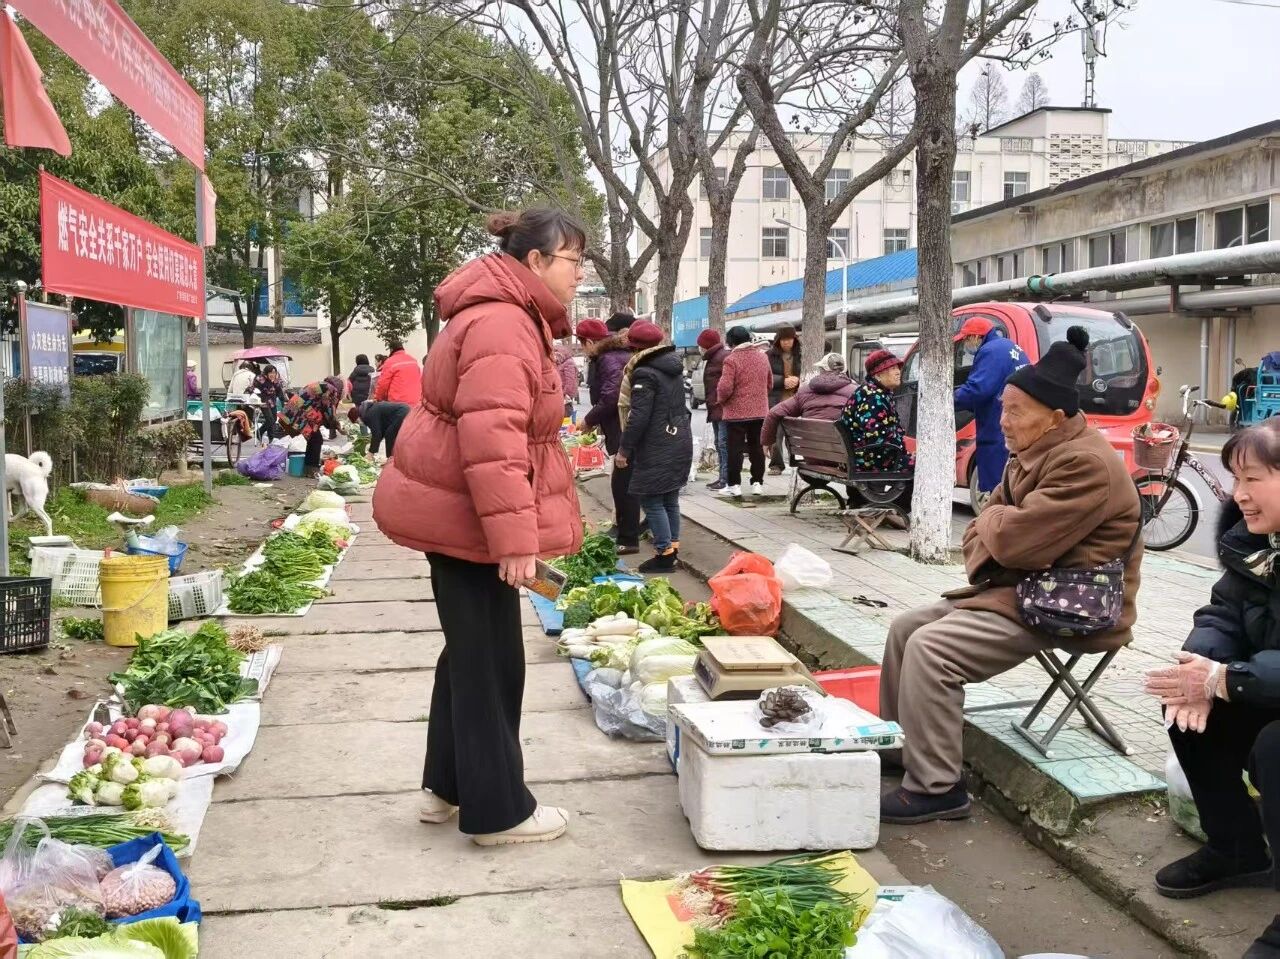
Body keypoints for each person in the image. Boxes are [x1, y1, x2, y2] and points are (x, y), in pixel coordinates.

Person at [372, 208, 584, 847]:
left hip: (462, 513)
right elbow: (493, 440)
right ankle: (499, 812)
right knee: (492, 660)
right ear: (536, 262)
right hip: (471, 516)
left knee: (470, 652)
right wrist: (516, 542)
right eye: (574, 260)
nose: (580, 274)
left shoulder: (502, 314)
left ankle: (448, 787)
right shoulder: (503, 322)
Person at [878, 327, 1141, 825]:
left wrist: (997, 527)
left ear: (1055, 417)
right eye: (1004, 407)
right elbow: (991, 529)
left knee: (933, 649)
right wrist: (1000, 529)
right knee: (906, 627)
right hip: (1023, 587)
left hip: (1070, 604)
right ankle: (905, 747)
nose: (1004, 420)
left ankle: (938, 788)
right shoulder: (1036, 451)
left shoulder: (1084, 463)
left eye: (1016, 411)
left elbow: (1008, 535)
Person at [1147, 419, 1280, 958]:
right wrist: (1204, 667)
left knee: (1275, 745)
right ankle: (1238, 849)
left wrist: (1227, 679)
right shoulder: (1255, 543)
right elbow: (1223, 613)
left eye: (1251, 479)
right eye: (1234, 479)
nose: (1238, 494)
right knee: (1187, 707)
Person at [616, 321, 691, 574]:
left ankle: (663, 553)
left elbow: (638, 416)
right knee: (670, 497)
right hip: (677, 439)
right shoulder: (673, 367)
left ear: (635, 347)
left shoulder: (644, 373)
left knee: (651, 500)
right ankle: (672, 549)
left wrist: (624, 450)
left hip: (656, 443)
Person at [582, 325, 643, 554]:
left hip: (623, 426)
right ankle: (625, 530)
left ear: (588, 342)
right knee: (622, 482)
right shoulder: (615, 356)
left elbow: (610, 396)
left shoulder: (608, 359)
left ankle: (629, 537)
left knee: (624, 482)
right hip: (621, 425)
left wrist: (589, 420)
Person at [953, 317, 1028, 500]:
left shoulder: (990, 351)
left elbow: (979, 389)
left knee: (998, 482)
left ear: (975, 337)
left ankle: (998, 518)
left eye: (966, 339)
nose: (965, 344)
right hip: (1020, 417)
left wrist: (948, 400)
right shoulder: (1007, 345)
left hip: (999, 421)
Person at [715, 325, 771, 497]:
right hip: (759, 411)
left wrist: (721, 401)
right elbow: (769, 384)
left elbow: (725, 388)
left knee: (735, 449)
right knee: (756, 448)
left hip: (736, 413)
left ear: (731, 342)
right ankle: (757, 483)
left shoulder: (731, 360)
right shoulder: (763, 357)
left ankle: (734, 485)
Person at [763, 352, 857, 450]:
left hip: (811, 454)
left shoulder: (804, 391)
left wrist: (767, 442)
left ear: (822, 370)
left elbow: (774, 413)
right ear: (844, 370)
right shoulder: (855, 392)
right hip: (842, 455)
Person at [838, 350, 913, 471]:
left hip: (859, 457)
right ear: (877, 374)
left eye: (898, 368)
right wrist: (904, 453)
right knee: (923, 467)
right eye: (892, 368)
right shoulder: (873, 397)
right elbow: (877, 436)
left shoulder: (872, 392)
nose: (898, 372)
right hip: (867, 461)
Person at [277, 376, 345, 477]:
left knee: (313, 438)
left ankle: (309, 468)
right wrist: (338, 426)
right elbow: (328, 409)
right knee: (316, 439)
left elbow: (323, 406)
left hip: (295, 409)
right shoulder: (330, 389)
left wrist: (333, 423)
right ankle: (311, 469)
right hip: (301, 412)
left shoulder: (323, 385)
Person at [697, 328, 730, 491]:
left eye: (701, 346)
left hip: (722, 407)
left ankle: (726, 479)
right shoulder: (714, 358)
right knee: (720, 443)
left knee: (724, 444)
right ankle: (723, 478)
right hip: (716, 407)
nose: (700, 349)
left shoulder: (722, 357)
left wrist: (720, 400)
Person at [766, 325, 801, 474]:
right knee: (776, 433)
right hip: (777, 399)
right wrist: (782, 381)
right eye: (783, 340)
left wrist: (798, 380)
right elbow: (765, 377)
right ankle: (776, 465)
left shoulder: (801, 355)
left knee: (794, 434)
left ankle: (798, 463)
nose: (787, 343)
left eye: (790, 339)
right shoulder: (769, 355)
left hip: (797, 400)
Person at [575, 319, 609, 407]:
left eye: (582, 345)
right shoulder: (599, 359)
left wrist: (589, 419)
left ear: (589, 343)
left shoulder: (606, 361)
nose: (582, 349)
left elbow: (609, 398)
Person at [252, 365, 286, 440]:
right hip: (263, 402)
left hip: (272, 401)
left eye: (274, 373)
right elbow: (254, 389)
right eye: (270, 373)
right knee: (270, 419)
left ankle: (271, 437)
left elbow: (279, 391)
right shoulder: (260, 379)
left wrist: (283, 401)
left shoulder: (276, 380)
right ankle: (259, 433)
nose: (272, 375)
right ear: (266, 373)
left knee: (273, 419)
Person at [552, 341, 578, 419]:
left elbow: (570, 382)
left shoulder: (568, 363)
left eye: (556, 353)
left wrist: (564, 394)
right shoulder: (558, 363)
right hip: (558, 397)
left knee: (564, 421)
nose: (554, 357)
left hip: (564, 399)